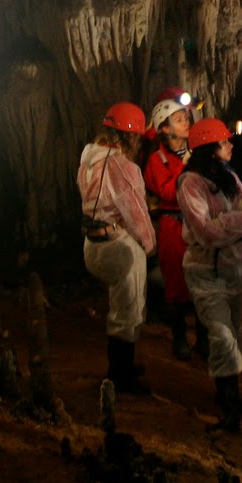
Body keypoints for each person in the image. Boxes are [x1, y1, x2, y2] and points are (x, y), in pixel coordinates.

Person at [178, 117, 242, 431]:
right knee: (222, 335)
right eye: (224, 141)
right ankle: (229, 409)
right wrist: (233, 221)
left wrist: (224, 223)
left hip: (234, 265)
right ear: (209, 149)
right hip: (204, 268)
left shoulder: (228, 175)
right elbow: (205, 233)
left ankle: (230, 395)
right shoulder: (189, 184)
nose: (230, 145)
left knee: (234, 331)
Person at [78, 102, 159, 395]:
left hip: (91, 243)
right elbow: (136, 214)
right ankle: (120, 374)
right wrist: (149, 247)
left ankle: (123, 367)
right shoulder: (122, 167)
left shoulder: (88, 157)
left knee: (121, 307)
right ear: (130, 136)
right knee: (128, 309)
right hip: (118, 245)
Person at [144, 92, 202, 360]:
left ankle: (203, 339)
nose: (186, 122)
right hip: (172, 225)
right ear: (164, 128)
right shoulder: (158, 160)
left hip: (199, 223)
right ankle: (179, 337)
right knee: (177, 283)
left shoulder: (198, 151)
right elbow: (167, 191)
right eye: (179, 119)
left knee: (203, 280)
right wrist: (185, 168)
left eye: (186, 117)